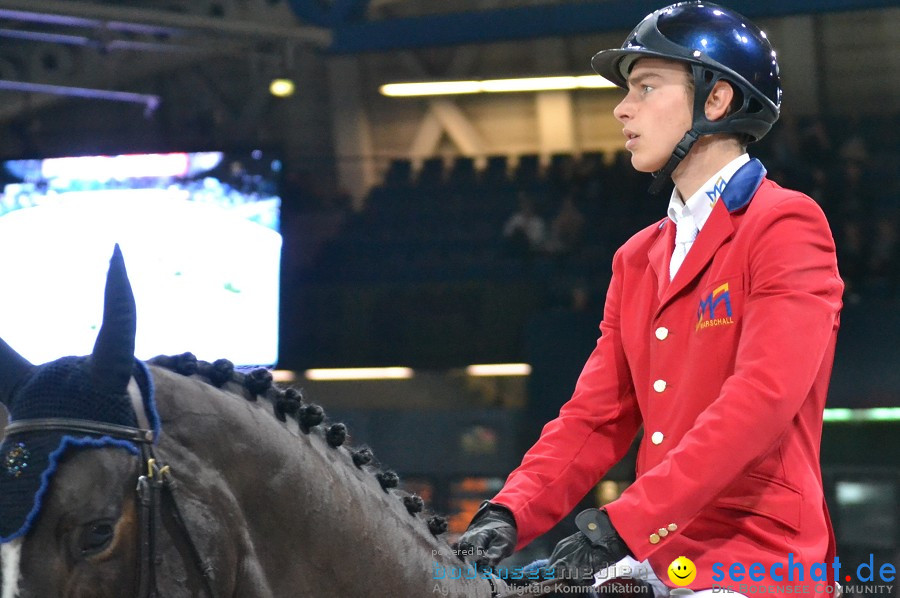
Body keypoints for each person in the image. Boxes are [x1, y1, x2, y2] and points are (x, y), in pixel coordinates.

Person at [457, 3, 843, 597]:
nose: (621, 107)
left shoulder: (786, 222)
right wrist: (509, 512)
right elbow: (596, 417)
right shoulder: (636, 258)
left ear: (715, 102)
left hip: (755, 555)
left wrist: (622, 523)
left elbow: (761, 400)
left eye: (646, 87)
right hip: (656, 555)